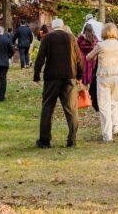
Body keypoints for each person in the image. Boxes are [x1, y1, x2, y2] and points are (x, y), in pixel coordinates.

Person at [33, 18, 84, 148]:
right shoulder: (71, 38)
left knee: (47, 108)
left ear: (52, 27)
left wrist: (36, 75)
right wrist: (79, 75)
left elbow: (40, 57)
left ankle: (44, 140)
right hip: (69, 76)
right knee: (71, 109)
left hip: (51, 77)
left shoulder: (47, 38)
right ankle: (72, 139)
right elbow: (79, 58)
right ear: (63, 26)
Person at [85, 22, 118, 142]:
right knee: (115, 101)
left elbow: (88, 57)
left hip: (104, 76)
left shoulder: (100, 45)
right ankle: (116, 125)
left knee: (104, 105)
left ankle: (107, 135)